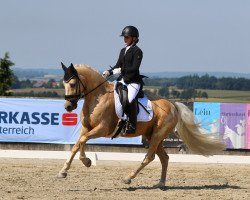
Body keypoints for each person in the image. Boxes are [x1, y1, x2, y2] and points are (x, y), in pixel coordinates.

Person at [102, 25, 143, 134]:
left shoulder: (137, 51)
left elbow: (134, 68)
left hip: (133, 82)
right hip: (122, 80)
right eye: (124, 37)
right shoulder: (122, 50)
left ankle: (132, 125)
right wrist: (109, 72)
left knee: (129, 100)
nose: (125, 39)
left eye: (127, 37)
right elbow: (117, 65)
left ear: (134, 38)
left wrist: (121, 70)